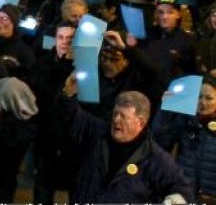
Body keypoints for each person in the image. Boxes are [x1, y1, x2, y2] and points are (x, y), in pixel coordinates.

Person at [59, 78, 192, 204]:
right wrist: (68, 93)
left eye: (123, 116)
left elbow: (181, 190)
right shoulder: (96, 134)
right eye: (115, 114)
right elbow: (72, 117)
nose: (116, 120)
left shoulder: (155, 158)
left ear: (140, 122)